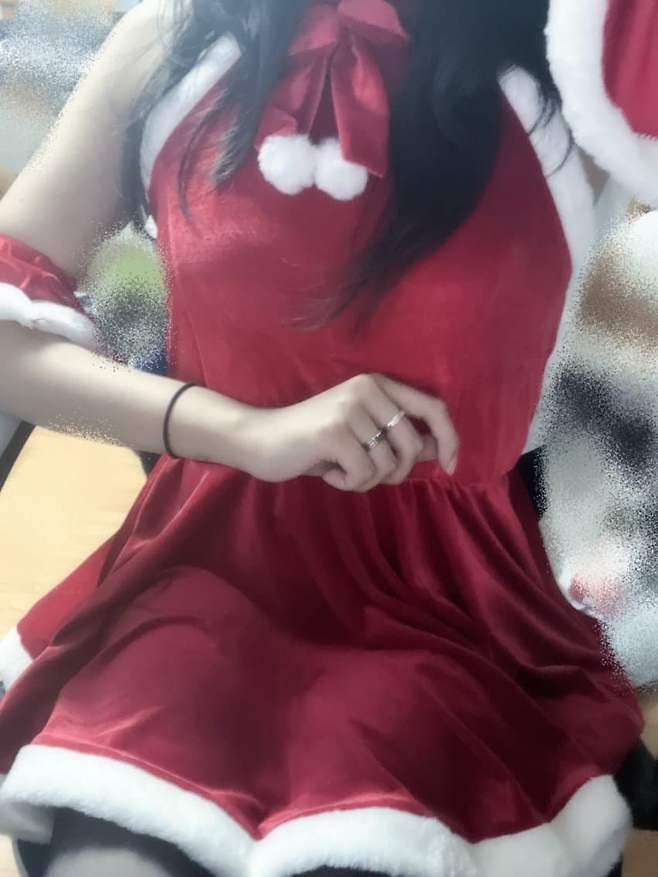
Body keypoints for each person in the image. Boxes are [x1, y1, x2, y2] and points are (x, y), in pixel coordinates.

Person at [0, 1, 655, 875]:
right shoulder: (176, 40)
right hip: (202, 566)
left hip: (456, 605)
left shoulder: (583, 65)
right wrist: (243, 430)